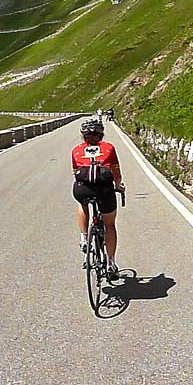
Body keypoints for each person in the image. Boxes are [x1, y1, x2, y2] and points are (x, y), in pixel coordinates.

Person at [72, 118, 124, 278]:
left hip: (83, 189)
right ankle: (110, 262)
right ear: (101, 134)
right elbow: (116, 172)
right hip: (105, 190)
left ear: (83, 136)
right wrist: (118, 185)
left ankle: (84, 237)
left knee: (83, 204)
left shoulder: (76, 150)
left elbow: (75, 173)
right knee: (110, 226)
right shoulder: (108, 148)